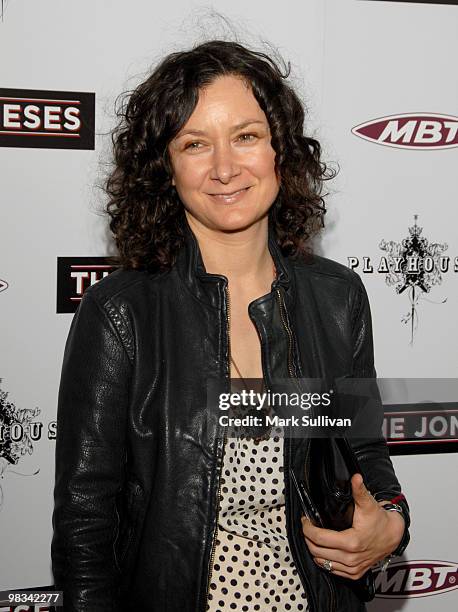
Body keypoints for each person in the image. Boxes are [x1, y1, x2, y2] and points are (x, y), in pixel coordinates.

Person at [51, 40, 410, 611]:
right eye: (194, 144)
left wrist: (390, 524)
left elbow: (364, 449)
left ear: (279, 152)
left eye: (245, 136)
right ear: (165, 169)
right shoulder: (121, 314)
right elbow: (86, 521)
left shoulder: (337, 297)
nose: (224, 168)